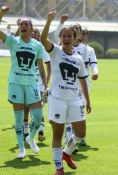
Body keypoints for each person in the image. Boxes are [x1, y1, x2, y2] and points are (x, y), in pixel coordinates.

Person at [41, 10, 91, 175]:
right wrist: (49, 21)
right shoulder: (55, 51)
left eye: (70, 36)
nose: (67, 38)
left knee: (81, 133)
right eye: (64, 36)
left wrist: (88, 101)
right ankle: (58, 167)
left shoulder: (78, 58)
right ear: (60, 37)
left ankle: (67, 153)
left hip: (75, 99)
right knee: (58, 133)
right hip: (57, 99)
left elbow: (83, 79)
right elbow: (42, 40)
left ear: (76, 38)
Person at [0, 6, 47, 159]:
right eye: (22, 24)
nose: (24, 26)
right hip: (16, 84)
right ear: (19, 28)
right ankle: (21, 148)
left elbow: (41, 67)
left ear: (32, 28)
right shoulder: (13, 41)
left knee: (38, 117)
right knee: (19, 119)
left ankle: (30, 137)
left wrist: (45, 85)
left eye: (27, 24)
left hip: (32, 84)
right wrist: (1, 14)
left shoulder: (37, 45)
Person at [24, 27, 51, 142]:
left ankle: (40, 132)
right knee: (26, 107)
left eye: (36, 32)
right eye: (32, 32)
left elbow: (48, 66)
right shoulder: (24, 46)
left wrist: (46, 82)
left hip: (39, 83)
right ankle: (25, 132)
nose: (34, 34)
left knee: (37, 107)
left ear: (39, 36)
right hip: (26, 82)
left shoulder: (41, 48)